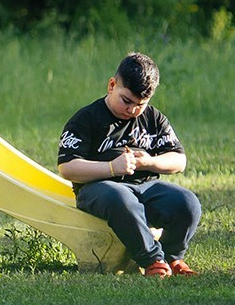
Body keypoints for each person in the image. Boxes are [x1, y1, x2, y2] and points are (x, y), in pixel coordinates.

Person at [56, 51, 200, 277]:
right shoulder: (86, 118)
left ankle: (172, 258)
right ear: (112, 85)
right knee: (121, 198)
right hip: (98, 189)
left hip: (145, 187)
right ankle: (152, 261)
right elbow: (67, 167)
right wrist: (112, 168)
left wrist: (150, 162)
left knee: (188, 202)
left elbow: (179, 160)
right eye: (127, 101)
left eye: (140, 104)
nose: (132, 110)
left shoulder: (153, 118)